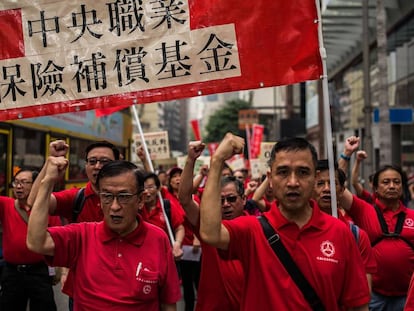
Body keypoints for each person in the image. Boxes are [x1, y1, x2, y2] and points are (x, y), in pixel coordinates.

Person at [199, 133, 370, 311]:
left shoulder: (340, 233)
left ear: (315, 178)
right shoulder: (252, 230)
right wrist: (217, 160)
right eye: (283, 172)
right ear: (270, 178)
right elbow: (210, 233)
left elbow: (358, 305)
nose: (293, 182)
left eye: (303, 172)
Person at [27, 158, 181, 310]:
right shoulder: (82, 235)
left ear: (140, 200)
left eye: (124, 197)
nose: (114, 206)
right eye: (107, 196)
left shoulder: (158, 238)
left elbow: (168, 303)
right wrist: (47, 182)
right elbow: (36, 242)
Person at [26, 140, 121, 308]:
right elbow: (34, 202)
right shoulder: (77, 198)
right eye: (92, 161)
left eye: (104, 161)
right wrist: (49, 170)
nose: (97, 166)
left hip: (122, 287)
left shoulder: (130, 199)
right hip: (82, 289)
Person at [178, 140, 246, 311]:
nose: (225, 204)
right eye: (220, 200)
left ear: (244, 200)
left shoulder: (257, 227)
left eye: (231, 199)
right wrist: (191, 159)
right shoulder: (207, 226)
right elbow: (185, 198)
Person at [0, 168, 59, 311]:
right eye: (16, 182)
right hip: (12, 273)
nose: (19, 186)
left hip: (39, 272)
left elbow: (58, 240)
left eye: (24, 182)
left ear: (36, 185)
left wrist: (60, 269)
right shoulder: (6, 205)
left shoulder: (47, 209)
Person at [313, 159, 377, 292]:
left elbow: (365, 291)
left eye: (332, 183)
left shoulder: (357, 236)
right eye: (320, 183)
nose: (326, 189)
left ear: (342, 190)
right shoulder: (297, 231)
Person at [141, 172, 184, 259]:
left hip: (164, 254)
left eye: (150, 187)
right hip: (142, 254)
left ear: (157, 189)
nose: (146, 192)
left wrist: (177, 243)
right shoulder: (135, 208)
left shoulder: (166, 206)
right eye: (143, 188)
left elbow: (179, 228)